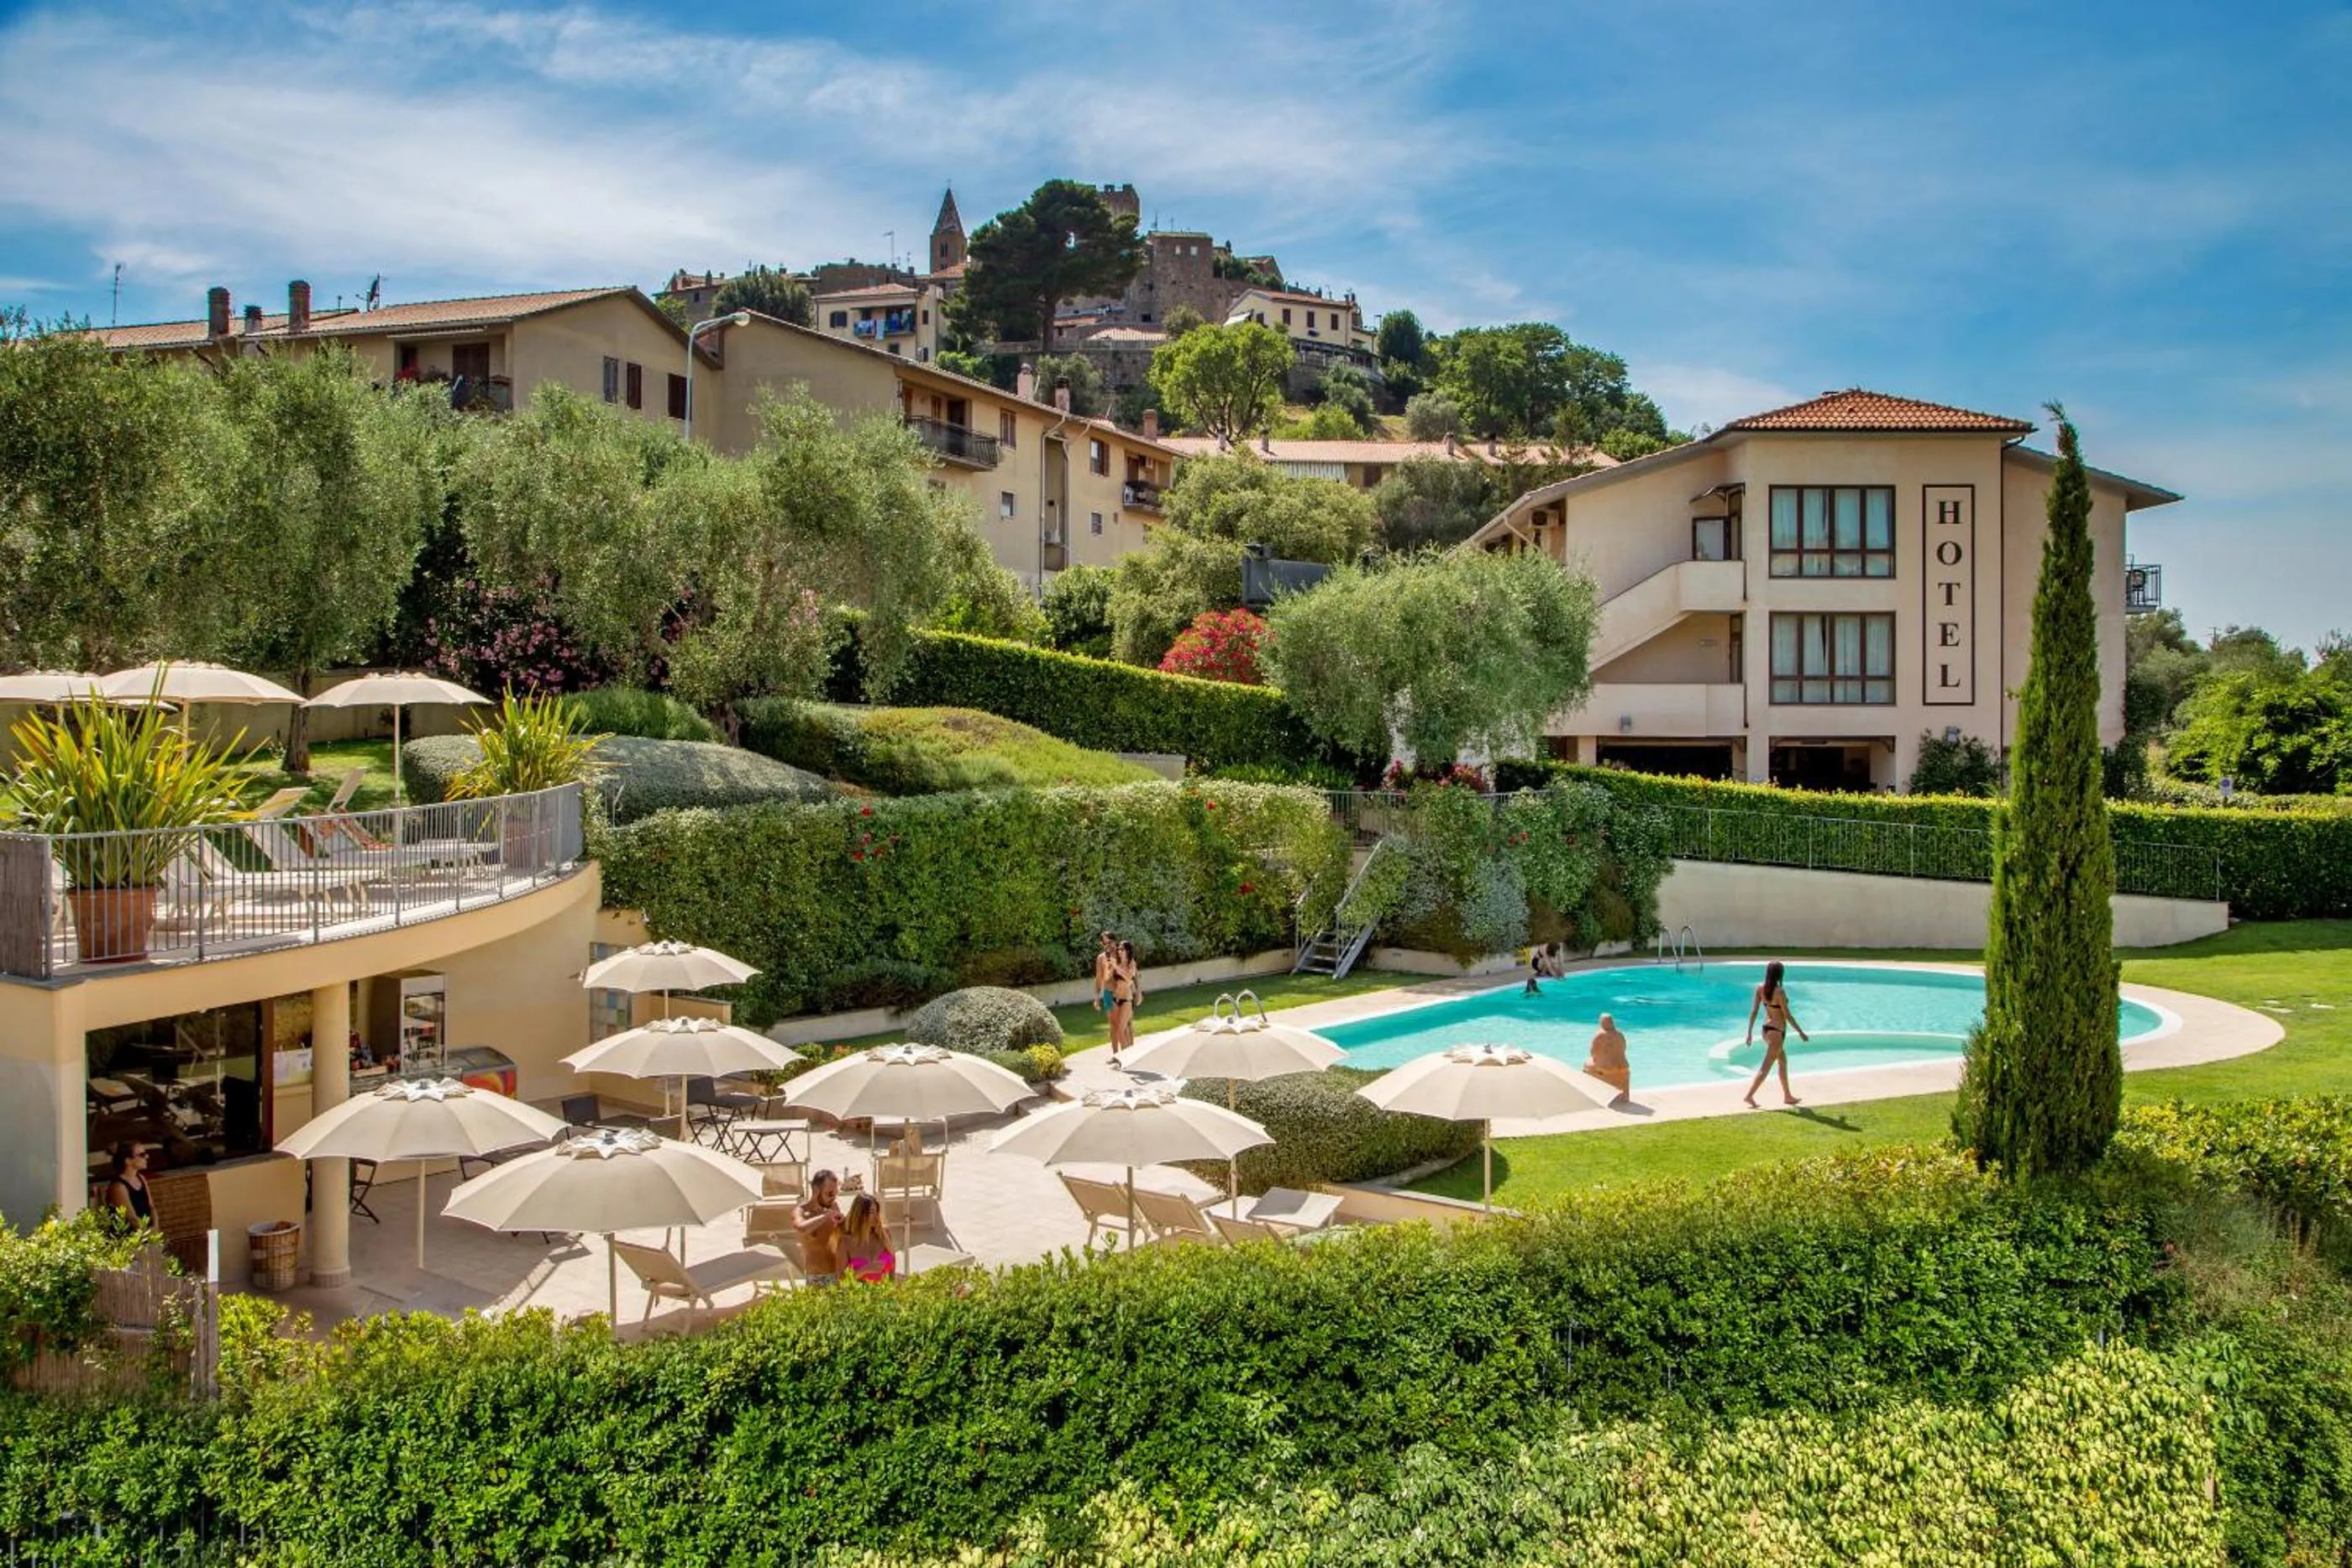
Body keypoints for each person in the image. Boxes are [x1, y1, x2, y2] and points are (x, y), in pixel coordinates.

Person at [1742, 960, 1810, 1108]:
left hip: (1766, 1030)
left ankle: (1787, 1096)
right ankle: (1749, 1096)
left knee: (1783, 1061)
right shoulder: (1779, 992)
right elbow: (1788, 1016)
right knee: (1765, 1068)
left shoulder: (1760, 988)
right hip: (1777, 1033)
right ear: (1780, 974)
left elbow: (1754, 1011)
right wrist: (1801, 1033)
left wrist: (1749, 1033)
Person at [793, 1169, 846, 1286]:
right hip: (818, 1277)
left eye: (836, 1194)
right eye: (830, 1194)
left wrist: (843, 1222)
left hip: (838, 1274)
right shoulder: (801, 1211)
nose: (834, 1198)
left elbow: (843, 1235)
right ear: (816, 1191)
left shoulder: (833, 1207)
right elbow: (801, 1228)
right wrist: (826, 1216)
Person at [842, 1193, 896, 1282]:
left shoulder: (884, 1235)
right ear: (860, 1214)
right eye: (872, 1212)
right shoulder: (846, 1242)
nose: (876, 1216)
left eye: (877, 1211)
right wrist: (865, 1269)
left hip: (885, 1293)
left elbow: (892, 1272)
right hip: (859, 1295)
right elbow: (841, 1281)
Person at [1109, 940, 1143, 1067]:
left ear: (1127, 951)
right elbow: (1111, 980)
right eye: (1118, 949)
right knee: (1118, 1029)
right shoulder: (1116, 963)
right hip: (1116, 998)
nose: (1119, 951)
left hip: (1126, 1000)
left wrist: (1117, 968)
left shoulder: (1131, 963)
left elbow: (1129, 978)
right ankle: (1123, 1056)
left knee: (1123, 1029)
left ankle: (1125, 1059)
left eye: (1121, 949)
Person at [103, 1141, 155, 1226]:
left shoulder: (141, 1178)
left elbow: (151, 1206)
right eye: (142, 1155)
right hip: (132, 1236)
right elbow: (132, 1219)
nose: (147, 1157)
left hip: (148, 1231)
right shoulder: (118, 1187)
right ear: (128, 1161)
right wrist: (150, 1234)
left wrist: (155, 1227)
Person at [1586, 1013, 1630, 1104]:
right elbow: (1624, 1048)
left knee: (1586, 1065)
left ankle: (1592, 1095)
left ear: (1602, 1023)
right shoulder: (1620, 1034)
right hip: (1623, 1066)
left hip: (1608, 1068)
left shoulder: (1600, 1035)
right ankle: (1625, 1096)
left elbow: (1593, 1052)